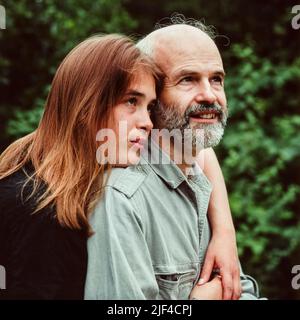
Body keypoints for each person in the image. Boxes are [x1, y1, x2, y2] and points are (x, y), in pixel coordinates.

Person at [85, 19, 263, 300]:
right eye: (188, 79)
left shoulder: (200, 178)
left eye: (216, 79)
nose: (209, 95)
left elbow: (241, 291)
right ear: (153, 97)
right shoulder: (122, 199)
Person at [0, 34, 161, 299]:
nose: (147, 122)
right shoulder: (36, 209)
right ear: (88, 104)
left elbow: (195, 151)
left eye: (149, 107)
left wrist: (223, 228)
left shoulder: (73, 188)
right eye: (131, 101)